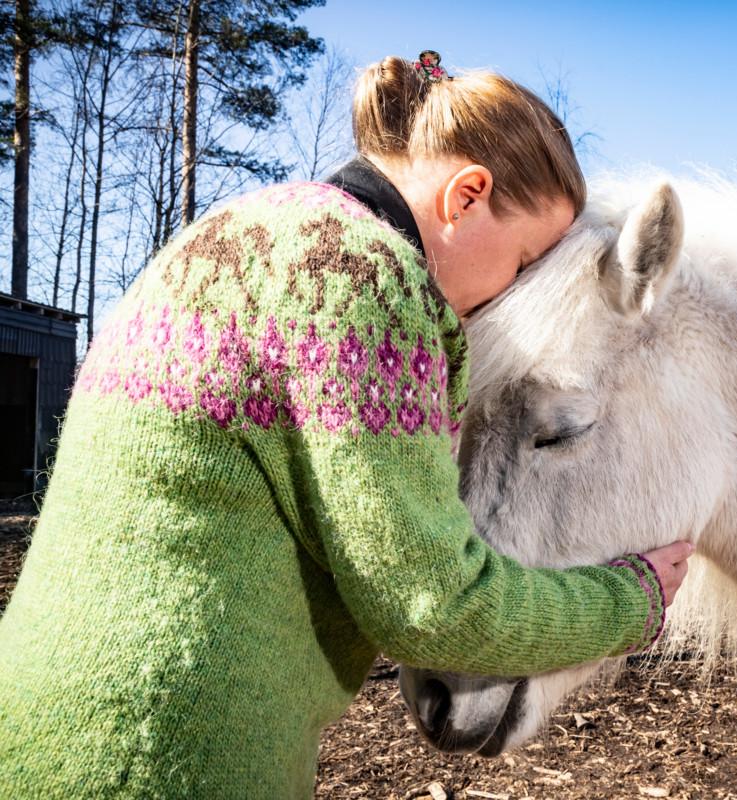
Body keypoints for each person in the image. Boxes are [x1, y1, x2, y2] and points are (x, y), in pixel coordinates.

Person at [0, 53, 693, 798]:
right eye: (524, 260)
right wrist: (633, 600)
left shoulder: (239, 231)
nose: (515, 293)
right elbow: (432, 605)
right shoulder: (366, 277)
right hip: (171, 751)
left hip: (45, 719)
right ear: (467, 197)